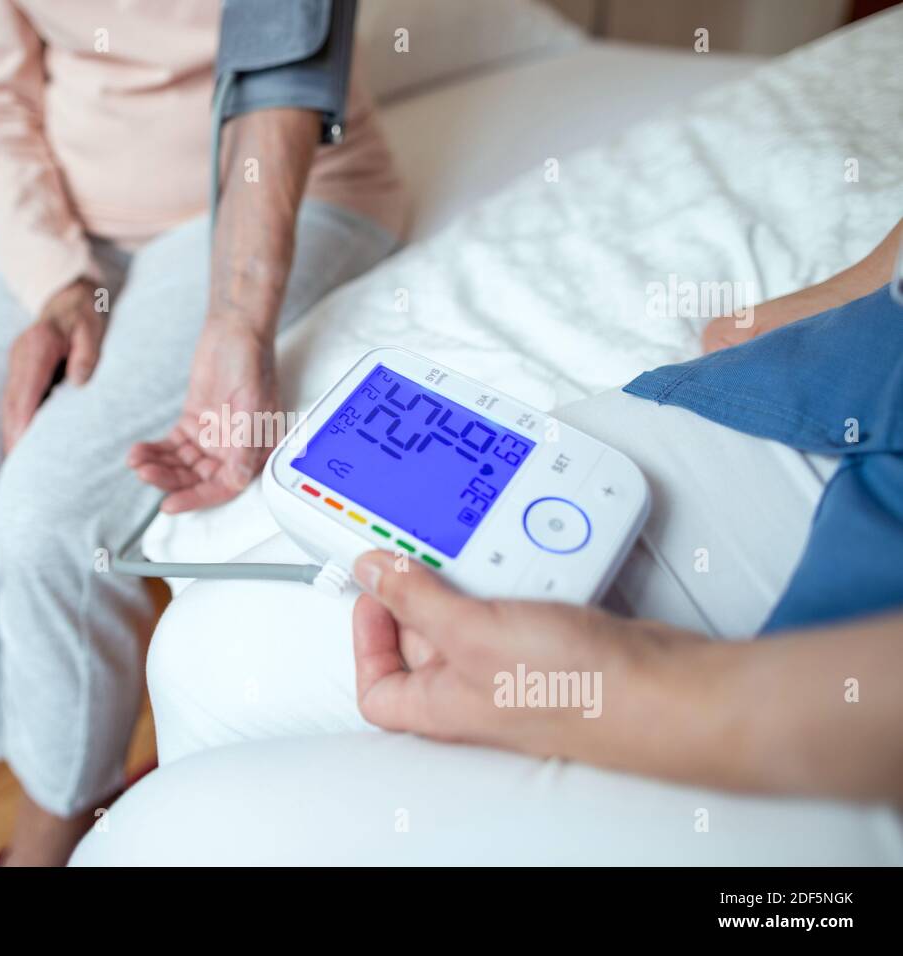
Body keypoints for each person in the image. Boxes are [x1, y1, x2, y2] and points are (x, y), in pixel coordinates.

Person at [71, 220, 903, 865]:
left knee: (149, 844)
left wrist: (616, 688)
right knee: (198, 649)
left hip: (855, 714)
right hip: (820, 383)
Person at [0, 0, 407, 865]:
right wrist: (57, 278)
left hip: (283, 191)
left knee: (43, 520)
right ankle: (65, 774)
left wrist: (237, 321)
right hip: (75, 225)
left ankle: (49, 836)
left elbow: (280, 64)